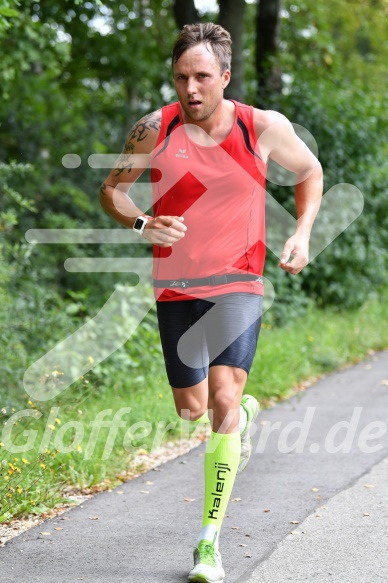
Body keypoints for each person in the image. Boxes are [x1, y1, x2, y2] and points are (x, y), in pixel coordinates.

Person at [100, 22, 323, 583]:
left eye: (202, 77)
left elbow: (310, 171)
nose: (191, 89)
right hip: (175, 284)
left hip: (239, 282)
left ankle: (208, 543)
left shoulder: (261, 128)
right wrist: (144, 223)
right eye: (181, 78)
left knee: (224, 397)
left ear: (224, 77)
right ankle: (238, 418)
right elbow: (112, 191)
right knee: (191, 409)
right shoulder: (154, 128)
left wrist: (301, 233)